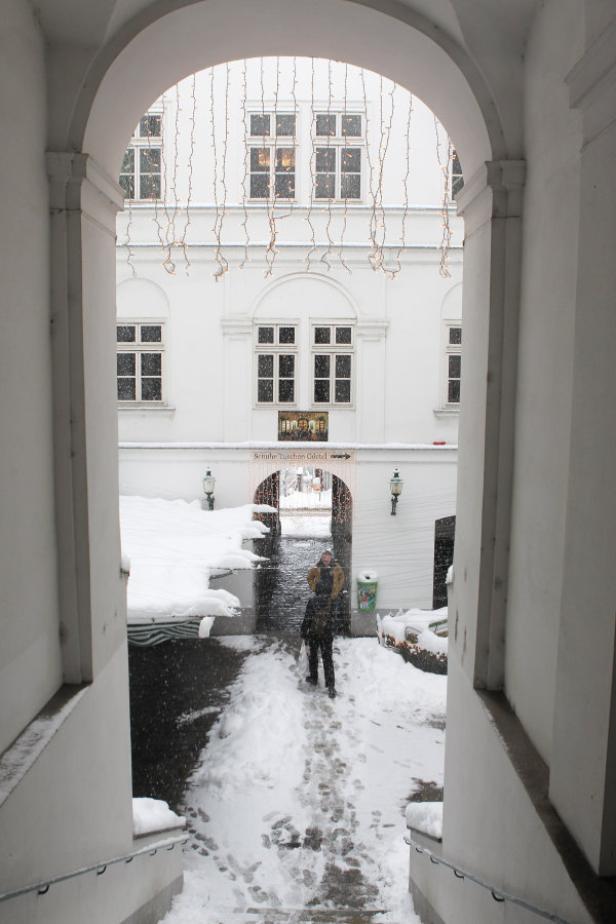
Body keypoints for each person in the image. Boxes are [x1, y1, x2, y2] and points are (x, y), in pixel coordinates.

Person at [301, 593, 336, 698]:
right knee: (327, 659)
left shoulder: (312, 601)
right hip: (327, 635)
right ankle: (330, 686)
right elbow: (335, 619)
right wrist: (331, 630)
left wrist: (303, 632)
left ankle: (314, 678)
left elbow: (307, 618)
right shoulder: (331, 601)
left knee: (313, 656)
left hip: (314, 634)